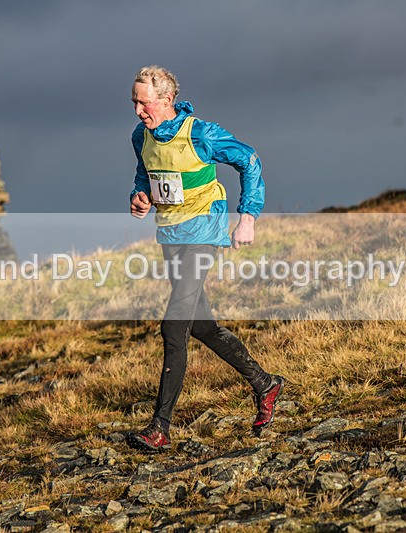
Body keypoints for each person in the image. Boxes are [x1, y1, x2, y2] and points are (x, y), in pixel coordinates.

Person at [127, 65, 285, 452]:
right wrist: (140, 195)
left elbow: (250, 160)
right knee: (202, 326)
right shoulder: (140, 136)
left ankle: (159, 428)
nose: (137, 111)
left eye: (143, 103)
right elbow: (144, 173)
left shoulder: (201, 133)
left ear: (166, 99)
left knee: (173, 325)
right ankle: (266, 384)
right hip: (171, 235)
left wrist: (247, 218)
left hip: (204, 234)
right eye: (133, 102)